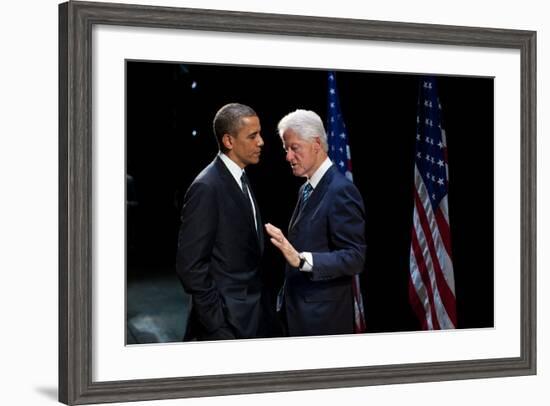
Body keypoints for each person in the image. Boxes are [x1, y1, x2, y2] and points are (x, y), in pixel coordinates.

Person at [265, 109, 366, 337]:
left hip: (324, 323)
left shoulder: (341, 191)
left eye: (294, 148)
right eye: (286, 149)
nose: (288, 157)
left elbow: (355, 257)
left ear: (317, 144)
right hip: (299, 315)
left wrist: (302, 260)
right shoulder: (306, 189)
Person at [176, 103, 265, 340]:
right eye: (253, 136)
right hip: (225, 325)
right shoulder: (207, 187)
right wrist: (217, 325)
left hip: (249, 317)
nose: (261, 142)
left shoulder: (240, 178)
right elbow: (190, 267)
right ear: (229, 141)